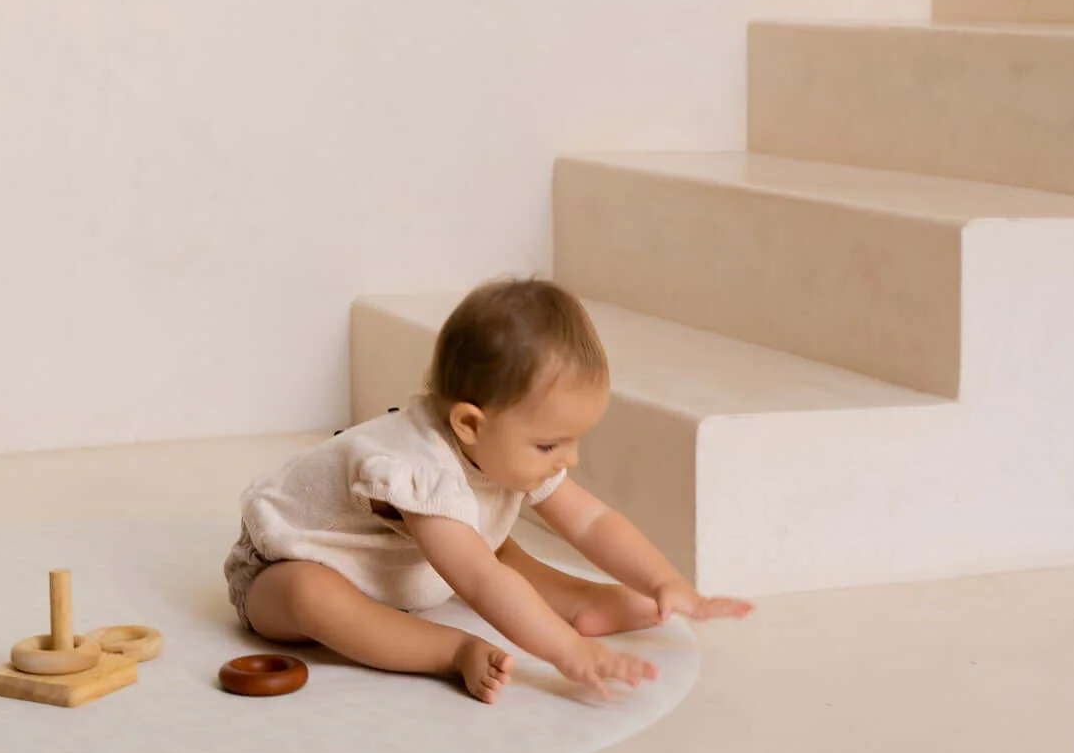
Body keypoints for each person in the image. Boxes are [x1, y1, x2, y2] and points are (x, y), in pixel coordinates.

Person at [224, 277, 754, 702]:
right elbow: (480, 581)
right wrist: (566, 652)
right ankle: (450, 651)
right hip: (281, 568)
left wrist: (665, 580)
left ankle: (581, 601)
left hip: (397, 560)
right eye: (550, 445)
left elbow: (593, 521)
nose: (569, 459)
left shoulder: (505, 444)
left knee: (493, 543)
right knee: (313, 594)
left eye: (574, 441)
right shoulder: (419, 466)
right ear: (470, 424)